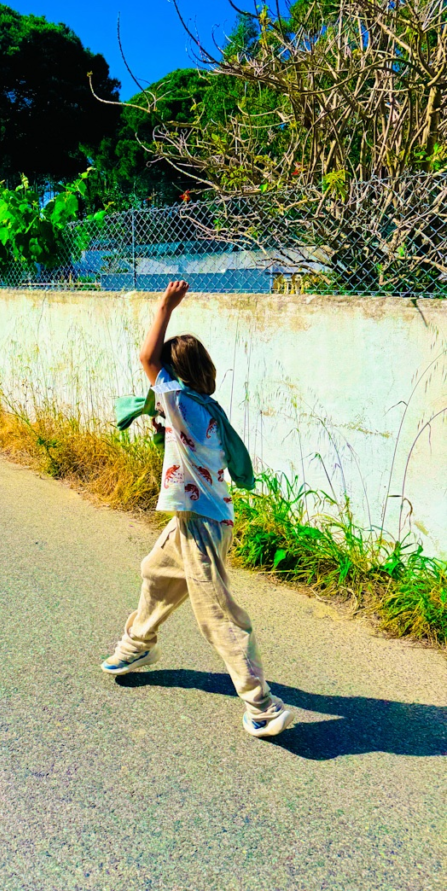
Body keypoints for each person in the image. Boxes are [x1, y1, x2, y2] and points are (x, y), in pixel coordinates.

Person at [101, 280, 295, 738]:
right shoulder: (202, 407)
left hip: (202, 526)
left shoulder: (183, 402)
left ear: (176, 374)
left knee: (217, 616)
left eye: (165, 372)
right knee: (155, 572)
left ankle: (261, 705)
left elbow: (147, 358)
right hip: (199, 519)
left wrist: (165, 308)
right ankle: (138, 644)